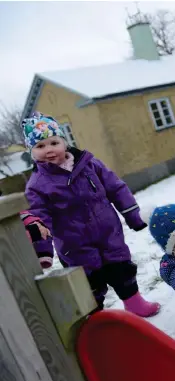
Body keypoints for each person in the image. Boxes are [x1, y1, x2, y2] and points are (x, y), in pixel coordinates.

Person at [22, 112, 160, 317]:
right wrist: (43, 252)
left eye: (54, 142)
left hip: (109, 233)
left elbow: (115, 188)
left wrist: (132, 215)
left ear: (64, 142)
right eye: (40, 146)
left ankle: (134, 302)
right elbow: (40, 218)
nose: (49, 150)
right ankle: (96, 319)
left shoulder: (90, 164)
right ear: (31, 152)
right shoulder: (37, 186)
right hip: (74, 245)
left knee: (122, 268)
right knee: (89, 284)